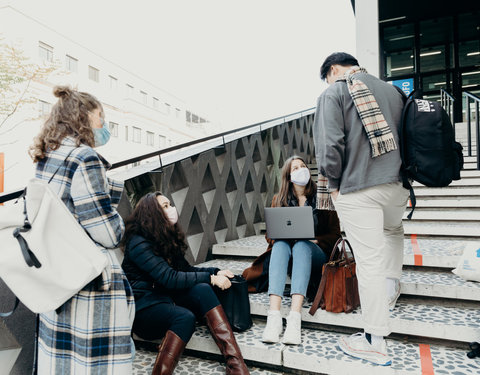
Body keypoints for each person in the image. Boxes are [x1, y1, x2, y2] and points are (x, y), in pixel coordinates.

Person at [312, 52, 410, 366]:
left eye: (327, 76)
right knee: (393, 230)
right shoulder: (392, 91)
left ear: (333, 70)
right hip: (397, 185)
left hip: (358, 187)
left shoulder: (335, 91)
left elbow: (331, 145)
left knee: (368, 261)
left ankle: (375, 340)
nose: (329, 81)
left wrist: (335, 184)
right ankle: (389, 293)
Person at [29, 86, 135, 373]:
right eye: (101, 116)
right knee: (93, 365)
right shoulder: (83, 157)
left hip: (56, 276)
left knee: (62, 362)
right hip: (86, 282)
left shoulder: (47, 156)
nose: (104, 125)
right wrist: (117, 218)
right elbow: (107, 232)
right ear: (85, 116)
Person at [121, 192, 250, 375]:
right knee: (185, 317)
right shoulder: (138, 243)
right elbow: (169, 277)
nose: (171, 209)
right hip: (144, 309)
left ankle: (236, 366)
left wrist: (215, 272)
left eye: (170, 204)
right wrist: (212, 278)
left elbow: (186, 270)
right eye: (164, 206)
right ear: (152, 213)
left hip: (165, 297)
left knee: (203, 290)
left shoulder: (165, 236)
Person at [242, 156, 341, 345]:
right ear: (288, 176)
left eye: (303, 166)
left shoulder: (322, 197)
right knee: (279, 244)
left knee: (303, 245)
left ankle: (295, 318)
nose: (301, 169)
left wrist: (315, 240)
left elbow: (336, 235)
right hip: (288, 253)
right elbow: (270, 236)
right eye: (295, 168)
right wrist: (284, 235)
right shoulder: (278, 199)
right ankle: (274, 317)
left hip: (315, 254)